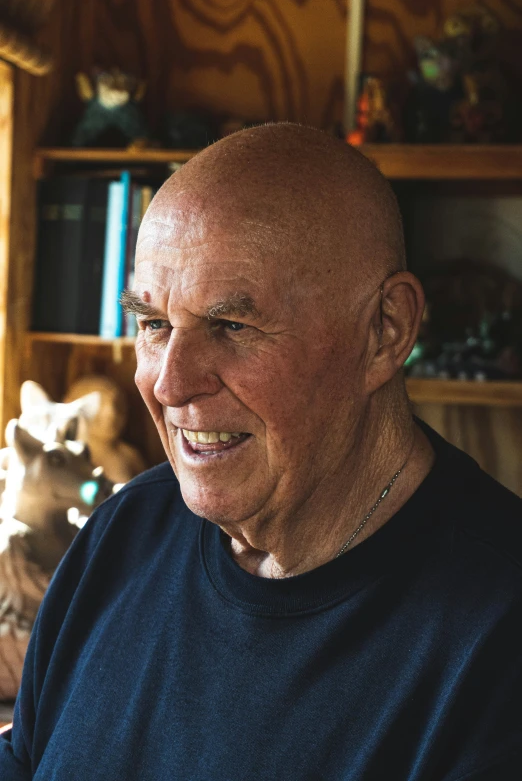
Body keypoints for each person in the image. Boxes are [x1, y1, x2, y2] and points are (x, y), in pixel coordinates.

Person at [1, 123, 521, 779]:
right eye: (155, 323)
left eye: (231, 325)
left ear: (386, 330)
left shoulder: (498, 638)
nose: (170, 383)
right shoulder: (122, 532)